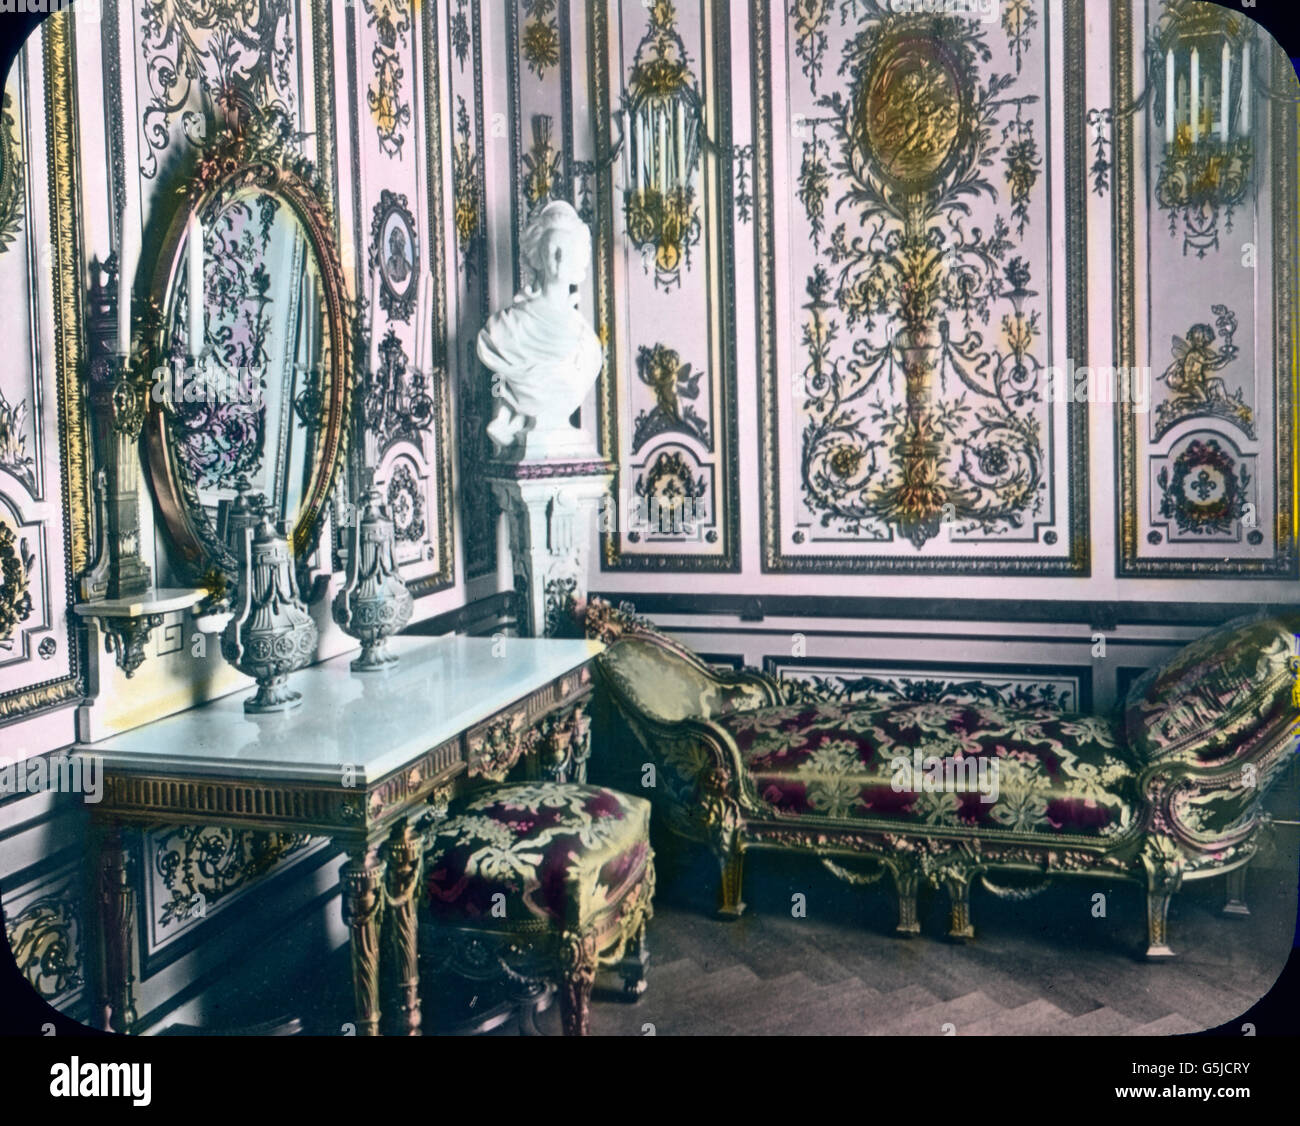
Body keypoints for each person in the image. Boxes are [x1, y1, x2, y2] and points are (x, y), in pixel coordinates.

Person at [477, 200, 602, 457]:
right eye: (553, 248)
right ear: (538, 254)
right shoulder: (506, 328)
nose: (559, 257)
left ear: (578, 257)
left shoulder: (587, 345)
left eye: (566, 249)